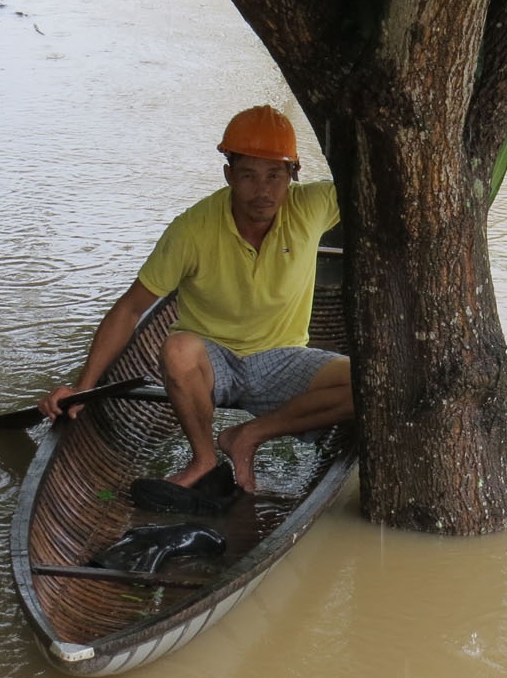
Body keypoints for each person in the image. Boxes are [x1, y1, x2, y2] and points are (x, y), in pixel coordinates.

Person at [38, 105, 352, 493]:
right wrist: (81, 387)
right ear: (228, 176)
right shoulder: (192, 229)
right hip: (210, 360)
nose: (263, 190)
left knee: (366, 383)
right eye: (248, 176)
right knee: (178, 348)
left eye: (275, 176)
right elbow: (131, 308)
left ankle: (248, 436)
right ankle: (203, 459)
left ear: (292, 176)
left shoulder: (313, 205)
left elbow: (373, 183)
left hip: (282, 356)